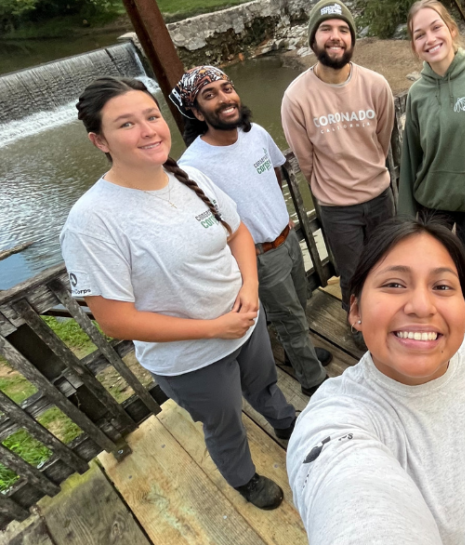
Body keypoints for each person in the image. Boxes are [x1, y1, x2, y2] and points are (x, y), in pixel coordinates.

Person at [61, 77, 296, 510]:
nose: (149, 130)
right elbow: (115, 320)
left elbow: (238, 232)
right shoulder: (92, 221)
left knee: (264, 383)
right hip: (190, 358)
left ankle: (284, 422)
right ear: (100, 140)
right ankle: (245, 478)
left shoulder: (189, 176)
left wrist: (250, 286)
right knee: (224, 421)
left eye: (151, 116)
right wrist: (211, 328)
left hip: (243, 320)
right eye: (127, 124)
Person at [286, 218, 465, 545]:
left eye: (443, 286)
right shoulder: (337, 425)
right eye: (394, 284)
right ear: (356, 311)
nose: (420, 307)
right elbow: (351, 501)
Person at [172, 66, 332, 398]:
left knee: (299, 305)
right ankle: (313, 380)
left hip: (287, 237)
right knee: (288, 317)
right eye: (209, 94)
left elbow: (273, 173)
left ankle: (295, 353)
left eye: (226, 87)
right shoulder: (194, 166)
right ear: (195, 111)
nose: (224, 97)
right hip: (257, 254)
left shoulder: (256, 133)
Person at [281, 0, 395, 347]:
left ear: (352, 38)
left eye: (343, 29)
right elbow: (305, 159)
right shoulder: (296, 97)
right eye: (326, 29)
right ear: (313, 38)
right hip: (337, 207)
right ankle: (359, 326)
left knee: (388, 265)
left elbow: (383, 139)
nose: (335, 36)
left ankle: (389, 316)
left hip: (380, 197)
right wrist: (335, 188)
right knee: (353, 273)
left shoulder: (376, 85)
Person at [398, 0, 465, 252]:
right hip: (433, 200)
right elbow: (411, 156)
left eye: (435, 28)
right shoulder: (417, 94)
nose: (429, 39)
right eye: (419, 35)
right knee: (438, 266)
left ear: (451, 30)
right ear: (414, 46)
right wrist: (406, 218)